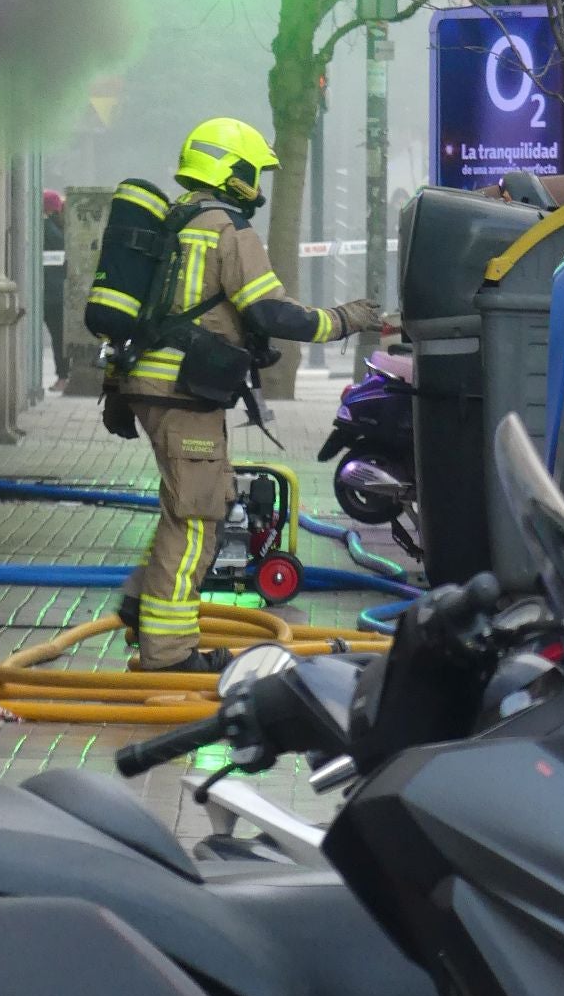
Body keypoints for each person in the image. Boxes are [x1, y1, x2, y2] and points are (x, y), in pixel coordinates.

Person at [120, 117, 380, 673]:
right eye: (253, 172)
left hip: (153, 383)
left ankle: (138, 603)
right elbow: (270, 309)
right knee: (197, 518)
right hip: (182, 392)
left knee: (189, 502)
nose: (258, 185)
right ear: (231, 170)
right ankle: (166, 653)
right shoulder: (226, 228)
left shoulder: (178, 217)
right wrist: (343, 319)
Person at [42, 189, 69, 391]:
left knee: (57, 337)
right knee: (59, 338)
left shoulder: (46, 228)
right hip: (56, 293)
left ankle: (62, 377)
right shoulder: (61, 230)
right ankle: (63, 377)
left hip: (49, 293)